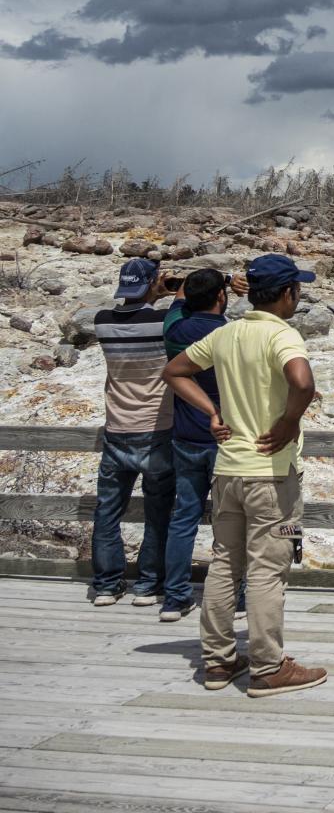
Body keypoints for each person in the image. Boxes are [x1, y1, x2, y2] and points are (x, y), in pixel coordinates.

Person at [162, 253, 327, 697]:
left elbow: (174, 371)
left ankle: (218, 661)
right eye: (297, 289)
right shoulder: (282, 334)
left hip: (228, 471)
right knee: (268, 571)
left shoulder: (226, 332)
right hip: (271, 474)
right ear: (288, 293)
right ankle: (268, 667)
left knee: (223, 564)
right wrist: (289, 421)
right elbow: (303, 381)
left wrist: (211, 411)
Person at [90, 258, 178, 608]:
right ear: (153, 282)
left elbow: (134, 312)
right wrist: (169, 293)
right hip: (157, 427)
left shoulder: (102, 321)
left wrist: (153, 292)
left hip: (117, 428)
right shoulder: (162, 321)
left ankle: (106, 585)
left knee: (107, 513)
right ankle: (148, 585)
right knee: (157, 514)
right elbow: (180, 314)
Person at [160, 269, 240, 623]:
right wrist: (230, 278)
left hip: (185, 436)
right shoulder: (229, 334)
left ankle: (174, 598)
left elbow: (179, 299)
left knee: (183, 518)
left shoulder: (174, 329)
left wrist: (187, 284)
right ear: (221, 297)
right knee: (231, 522)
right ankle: (235, 598)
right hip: (225, 437)